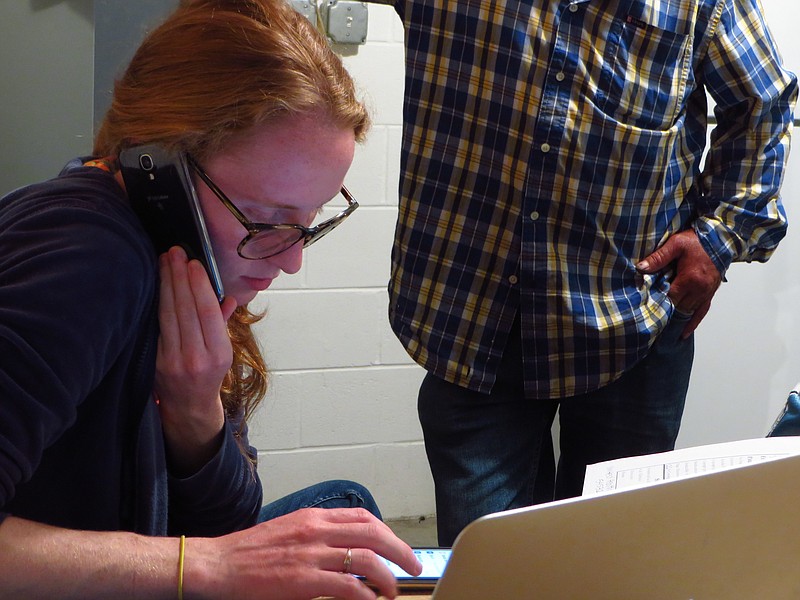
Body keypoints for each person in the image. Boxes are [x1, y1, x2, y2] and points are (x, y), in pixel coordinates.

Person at [0, 0, 421, 598]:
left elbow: (230, 523)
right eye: (263, 218)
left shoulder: (187, 261)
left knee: (352, 513)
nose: (291, 258)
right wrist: (204, 568)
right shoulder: (89, 255)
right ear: (160, 172)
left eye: (308, 222)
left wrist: (195, 414)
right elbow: (220, 554)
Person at [364, 0, 798, 545]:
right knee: (495, 570)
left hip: (633, 318)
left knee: (610, 556)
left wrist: (719, 235)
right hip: (470, 314)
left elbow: (762, 99)